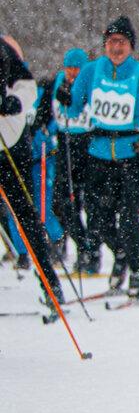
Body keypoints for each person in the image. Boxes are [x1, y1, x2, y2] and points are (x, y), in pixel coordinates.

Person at [63, 17, 139, 297]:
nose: (116, 48)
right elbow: (74, 107)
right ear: (105, 45)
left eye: (122, 43)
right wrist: (66, 97)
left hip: (131, 155)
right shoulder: (91, 71)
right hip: (98, 154)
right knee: (98, 220)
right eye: (112, 42)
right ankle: (122, 256)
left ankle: (137, 271)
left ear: (130, 47)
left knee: (128, 218)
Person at [0, 36, 64, 308]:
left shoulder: (3, 50)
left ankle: (50, 284)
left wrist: (13, 102)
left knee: (25, 215)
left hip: (9, 142)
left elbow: (27, 86)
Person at [41, 49, 95, 273]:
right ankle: (81, 245)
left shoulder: (91, 86)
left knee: (92, 203)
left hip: (89, 146)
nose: (73, 72)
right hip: (64, 145)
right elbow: (44, 113)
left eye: (77, 68)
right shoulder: (56, 86)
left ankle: (92, 252)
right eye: (69, 67)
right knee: (63, 202)